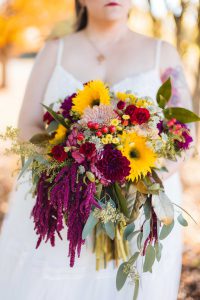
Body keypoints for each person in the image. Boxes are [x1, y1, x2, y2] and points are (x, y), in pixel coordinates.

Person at [0, 1, 195, 299]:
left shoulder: (162, 52)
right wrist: (66, 168)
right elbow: (26, 123)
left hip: (137, 214)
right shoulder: (54, 50)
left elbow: (185, 133)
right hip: (61, 207)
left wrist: (140, 185)